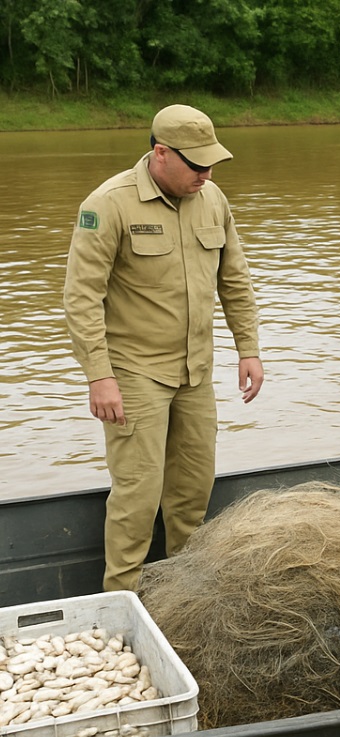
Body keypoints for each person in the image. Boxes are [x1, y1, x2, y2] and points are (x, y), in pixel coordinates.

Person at [64, 104, 263, 593]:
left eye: (211, 163)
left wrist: (249, 349)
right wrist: (99, 376)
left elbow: (234, 280)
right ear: (160, 154)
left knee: (193, 491)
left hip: (195, 372)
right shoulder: (108, 204)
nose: (206, 173)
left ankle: (183, 598)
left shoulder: (213, 199)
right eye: (196, 164)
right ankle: (121, 602)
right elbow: (80, 296)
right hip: (133, 373)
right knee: (137, 494)